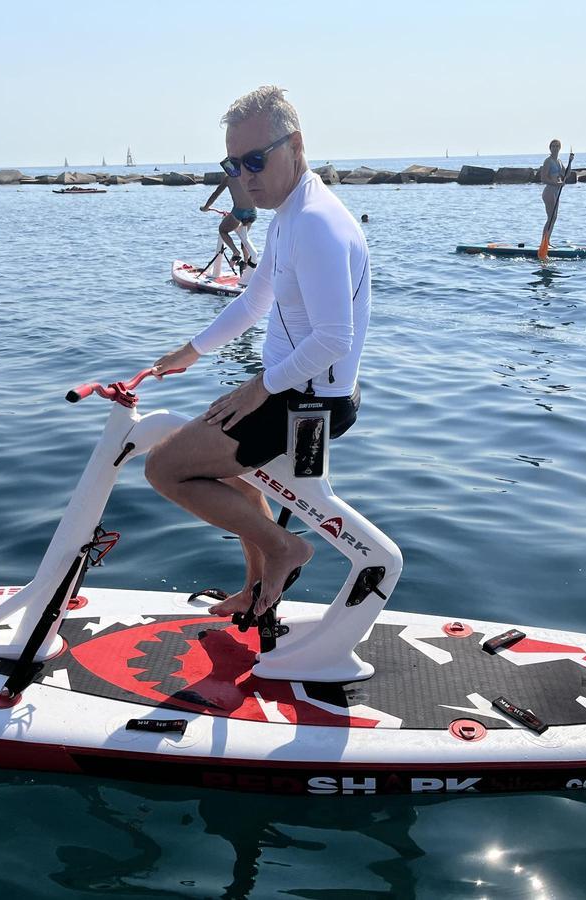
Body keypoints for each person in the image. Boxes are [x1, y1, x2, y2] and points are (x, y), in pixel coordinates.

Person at [146, 85, 371, 622]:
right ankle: (255, 588)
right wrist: (192, 351)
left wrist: (259, 387)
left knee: (165, 468)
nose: (243, 175)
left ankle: (286, 550)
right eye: (232, 163)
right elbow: (255, 300)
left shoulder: (315, 223)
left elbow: (334, 338)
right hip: (297, 388)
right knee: (231, 475)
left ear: (295, 145)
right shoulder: (290, 213)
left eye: (254, 160)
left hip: (305, 399)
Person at [200, 174, 256, 274]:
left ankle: (235, 252)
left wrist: (205, 208)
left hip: (238, 212)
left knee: (223, 230)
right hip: (252, 212)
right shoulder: (247, 173)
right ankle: (245, 265)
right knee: (244, 238)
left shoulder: (229, 178)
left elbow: (215, 194)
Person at [538, 139, 567, 245]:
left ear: (560, 148)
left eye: (557, 146)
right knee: (551, 217)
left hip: (556, 192)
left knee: (554, 217)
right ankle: (544, 242)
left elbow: (566, 174)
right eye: (553, 146)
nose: (555, 148)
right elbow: (543, 179)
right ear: (550, 148)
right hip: (549, 191)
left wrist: (571, 161)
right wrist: (556, 184)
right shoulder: (548, 161)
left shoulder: (559, 161)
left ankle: (547, 241)